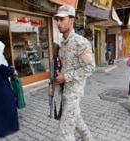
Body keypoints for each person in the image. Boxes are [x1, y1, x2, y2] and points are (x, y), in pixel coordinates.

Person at [54, 5, 95, 141]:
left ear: (71, 20)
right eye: (57, 20)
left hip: (74, 93)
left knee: (65, 132)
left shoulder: (80, 42)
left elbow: (90, 67)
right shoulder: (62, 43)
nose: (58, 23)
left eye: (62, 19)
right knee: (77, 120)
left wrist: (66, 77)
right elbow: (65, 65)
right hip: (64, 91)